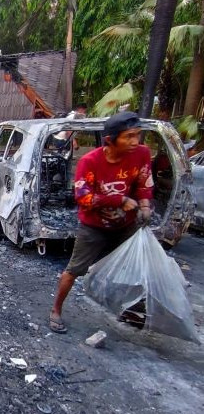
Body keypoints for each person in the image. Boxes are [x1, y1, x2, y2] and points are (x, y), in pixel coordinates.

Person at [49, 111, 154, 334]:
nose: (135, 141)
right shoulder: (90, 162)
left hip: (125, 225)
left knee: (134, 269)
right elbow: (83, 197)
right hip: (94, 226)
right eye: (129, 136)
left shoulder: (142, 154)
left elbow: (144, 183)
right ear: (110, 140)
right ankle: (56, 309)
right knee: (74, 269)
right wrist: (119, 200)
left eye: (137, 135)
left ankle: (131, 310)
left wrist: (145, 206)